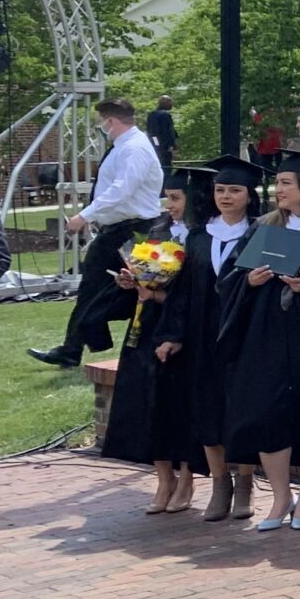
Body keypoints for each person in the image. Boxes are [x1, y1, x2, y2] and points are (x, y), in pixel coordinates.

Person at [222, 151, 300, 532]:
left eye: (286, 182)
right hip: (268, 331)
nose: (279, 189)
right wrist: (249, 281)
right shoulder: (262, 227)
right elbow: (229, 280)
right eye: (278, 183)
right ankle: (279, 496)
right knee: (266, 411)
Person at [99, 169, 205, 515]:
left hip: (183, 330)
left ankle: (187, 477)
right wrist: (133, 283)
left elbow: (194, 294)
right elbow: (148, 280)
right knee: (148, 402)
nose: (168, 205)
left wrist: (158, 296)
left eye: (176, 198)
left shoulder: (201, 237)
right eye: (167, 198)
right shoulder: (157, 232)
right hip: (146, 329)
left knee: (181, 406)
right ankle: (163, 478)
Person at [30, 96, 163, 368]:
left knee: (144, 288)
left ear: (112, 121)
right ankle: (72, 348)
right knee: (92, 287)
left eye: (102, 122)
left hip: (136, 231)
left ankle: (149, 344)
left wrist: (84, 215)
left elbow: (123, 189)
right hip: (118, 229)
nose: (101, 127)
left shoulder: (134, 148)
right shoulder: (122, 147)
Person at [188, 155, 262, 522]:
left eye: (235, 190)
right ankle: (220, 484)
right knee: (206, 405)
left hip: (245, 333)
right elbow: (184, 292)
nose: (226, 196)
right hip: (202, 332)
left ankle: (245, 481)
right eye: (220, 190)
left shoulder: (259, 234)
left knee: (241, 405)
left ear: (250, 195)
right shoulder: (199, 236)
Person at [146, 95, 177, 174]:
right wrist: (174, 147)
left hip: (153, 145)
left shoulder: (151, 115)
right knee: (166, 169)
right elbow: (169, 132)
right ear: (166, 103)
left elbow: (149, 131)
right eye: (170, 102)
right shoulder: (165, 115)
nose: (171, 104)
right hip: (164, 147)